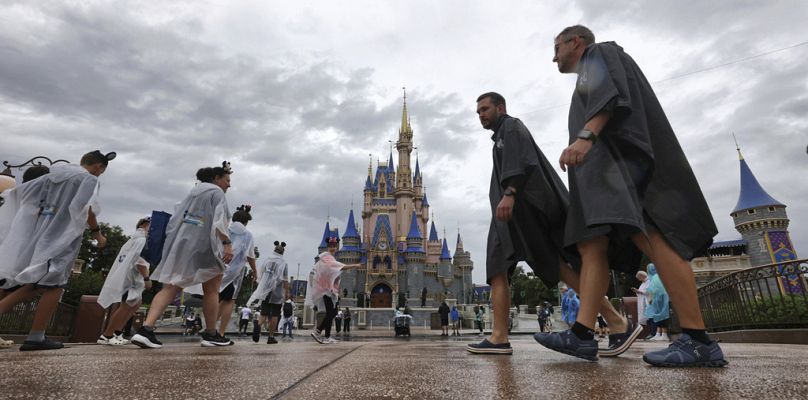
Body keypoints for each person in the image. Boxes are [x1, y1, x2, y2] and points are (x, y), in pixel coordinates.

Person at [540, 25, 727, 367]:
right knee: (591, 246)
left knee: (651, 237)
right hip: (604, 178)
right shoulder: (586, 73)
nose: (553, 57)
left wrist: (584, 139)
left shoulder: (601, 52)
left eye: (557, 48)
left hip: (624, 171)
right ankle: (582, 335)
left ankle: (699, 340)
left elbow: (611, 98)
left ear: (575, 42)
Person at [468, 93, 636, 356]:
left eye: (485, 109)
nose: (481, 115)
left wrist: (509, 194)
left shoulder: (511, 127)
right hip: (508, 215)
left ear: (500, 107)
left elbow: (523, 163)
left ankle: (615, 321)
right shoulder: (500, 137)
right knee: (499, 268)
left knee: (552, 266)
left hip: (518, 212)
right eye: (478, 111)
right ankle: (499, 336)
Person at [0, 150, 115, 351]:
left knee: (36, 285)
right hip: (63, 235)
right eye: (101, 171)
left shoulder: (54, 174)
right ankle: (36, 336)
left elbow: (27, 196)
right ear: (98, 166)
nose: (99, 175)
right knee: (55, 285)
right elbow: (85, 209)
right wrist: (97, 234)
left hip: (38, 232)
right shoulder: (87, 179)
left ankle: (36, 336)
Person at [131, 162, 234, 349]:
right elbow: (220, 221)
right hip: (205, 246)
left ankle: (146, 329)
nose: (229, 185)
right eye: (227, 180)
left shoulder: (192, 194)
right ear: (216, 179)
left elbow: (174, 221)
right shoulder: (216, 193)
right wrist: (227, 243)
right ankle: (211, 333)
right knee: (212, 288)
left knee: (171, 286)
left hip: (181, 244)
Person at [96, 217, 152, 345]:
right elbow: (140, 262)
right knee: (126, 306)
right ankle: (107, 335)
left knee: (135, 304)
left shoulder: (133, 239)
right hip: (131, 280)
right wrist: (147, 278)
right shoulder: (142, 240)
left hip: (128, 278)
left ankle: (117, 332)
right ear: (144, 225)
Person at [306, 237, 361, 344]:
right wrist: (355, 265)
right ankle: (318, 332)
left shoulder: (327, 259)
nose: (333, 248)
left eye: (334, 246)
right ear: (327, 247)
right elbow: (340, 267)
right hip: (326, 291)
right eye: (331, 246)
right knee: (330, 313)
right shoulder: (327, 259)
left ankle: (326, 336)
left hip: (328, 291)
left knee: (332, 312)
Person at [247, 241, 289, 344]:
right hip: (276, 292)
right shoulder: (283, 263)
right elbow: (285, 280)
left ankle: (258, 325)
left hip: (266, 290)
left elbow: (261, 274)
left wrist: (260, 288)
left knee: (264, 312)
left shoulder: (267, 260)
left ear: (274, 250)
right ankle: (271, 337)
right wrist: (286, 293)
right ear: (283, 252)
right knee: (274, 315)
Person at [644, 264, 670, 342]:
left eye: (648, 269)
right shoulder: (656, 277)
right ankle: (658, 334)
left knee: (662, 316)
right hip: (658, 299)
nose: (647, 271)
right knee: (658, 317)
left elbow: (655, 289)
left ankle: (664, 335)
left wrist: (651, 298)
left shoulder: (656, 277)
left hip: (660, 299)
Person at [631, 270, 652, 339]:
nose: (639, 280)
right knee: (647, 319)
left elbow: (649, 291)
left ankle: (653, 333)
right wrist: (637, 291)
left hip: (648, 302)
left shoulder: (649, 281)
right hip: (643, 302)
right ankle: (651, 333)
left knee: (650, 318)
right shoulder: (643, 283)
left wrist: (638, 291)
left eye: (639, 278)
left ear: (642, 276)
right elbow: (642, 292)